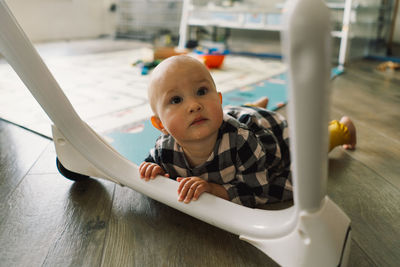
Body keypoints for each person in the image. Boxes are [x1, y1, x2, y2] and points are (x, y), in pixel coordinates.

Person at [139, 55, 356, 208]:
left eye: (202, 91)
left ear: (219, 100)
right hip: (233, 118)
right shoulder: (165, 148)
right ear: (161, 126)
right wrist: (150, 169)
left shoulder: (242, 141)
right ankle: (254, 106)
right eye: (176, 100)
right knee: (240, 114)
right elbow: (152, 162)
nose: (194, 105)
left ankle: (342, 128)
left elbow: (256, 192)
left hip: (274, 138)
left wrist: (214, 189)